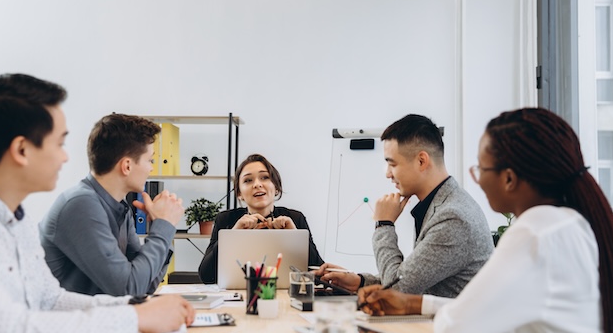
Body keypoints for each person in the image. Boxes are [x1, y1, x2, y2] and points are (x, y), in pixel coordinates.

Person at [0, 74, 195, 333]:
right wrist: (135, 318)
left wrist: (137, 309)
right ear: (22, 150)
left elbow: (50, 300)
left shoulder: (15, 218)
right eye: (60, 143)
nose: (67, 156)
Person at [358, 108, 613, 333]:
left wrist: (383, 225)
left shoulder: (533, 232)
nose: (477, 180)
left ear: (508, 179)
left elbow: (455, 330)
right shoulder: (566, 223)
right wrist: (416, 303)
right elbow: (485, 308)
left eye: (481, 169)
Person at [315, 114, 494, 298]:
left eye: (392, 164)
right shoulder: (443, 204)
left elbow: (396, 289)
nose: (388, 174)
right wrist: (360, 281)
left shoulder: (453, 217)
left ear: (421, 161)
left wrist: (384, 224)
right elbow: (412, 278)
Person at [40, 113, 182, 296]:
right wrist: (164, 226)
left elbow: (144, 286)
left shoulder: (121, 209)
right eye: (150, 160)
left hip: (101, 318)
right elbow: (128, 289)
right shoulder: (81, 205)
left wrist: (163, 226)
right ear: (127, 166)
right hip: (70, 321)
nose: (152, 168)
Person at [198, 154, 324, 283]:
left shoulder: (295, 218)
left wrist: (294, 235)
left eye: (264, 177)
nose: (257, 184)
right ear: (239, 193)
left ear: (276, 187)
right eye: (248, 180)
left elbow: (319, 274)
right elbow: (206, 276)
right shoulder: (226, 220)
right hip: (239, 296)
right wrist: (233, 235)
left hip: (285, 296)